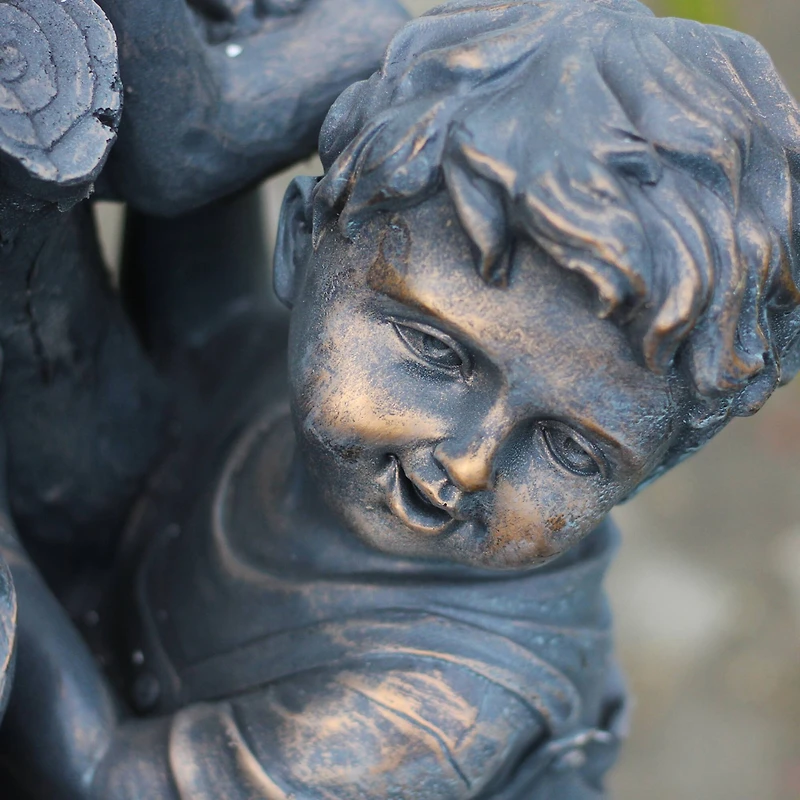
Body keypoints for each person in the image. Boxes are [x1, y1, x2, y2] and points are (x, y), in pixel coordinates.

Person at [3, 0, 800, 797]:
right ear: (301, 243)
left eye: (572, 448)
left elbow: (102, 777)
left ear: (653, 471)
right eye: (434, 352)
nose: (472, 460)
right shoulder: (301, 381)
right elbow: (204, 324)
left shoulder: (436, 717)